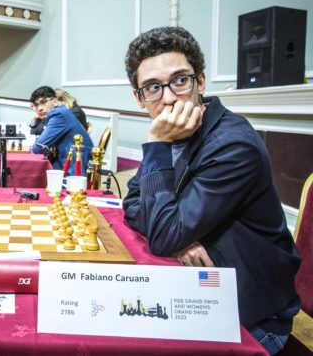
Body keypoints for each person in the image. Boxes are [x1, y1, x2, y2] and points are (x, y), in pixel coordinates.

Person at [122, 26, 300, 355]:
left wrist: (157, 144)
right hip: (201, 292)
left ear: (200, 82)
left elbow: (163, 237)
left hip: (251, 318)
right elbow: (132, 202)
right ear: (139, 97)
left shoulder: (233, 144)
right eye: (152, 88)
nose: (169, 98)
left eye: (180, 80)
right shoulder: (177, 133)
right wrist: (178, 236)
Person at [30, 86, 92, 176]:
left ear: (55, 101)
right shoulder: (60, 111)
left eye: (43, 102)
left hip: (76, 167)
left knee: (36, 173)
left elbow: (38, 148)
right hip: (69, 159)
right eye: (36, 105)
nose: (39, 108)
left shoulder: (58, 115)